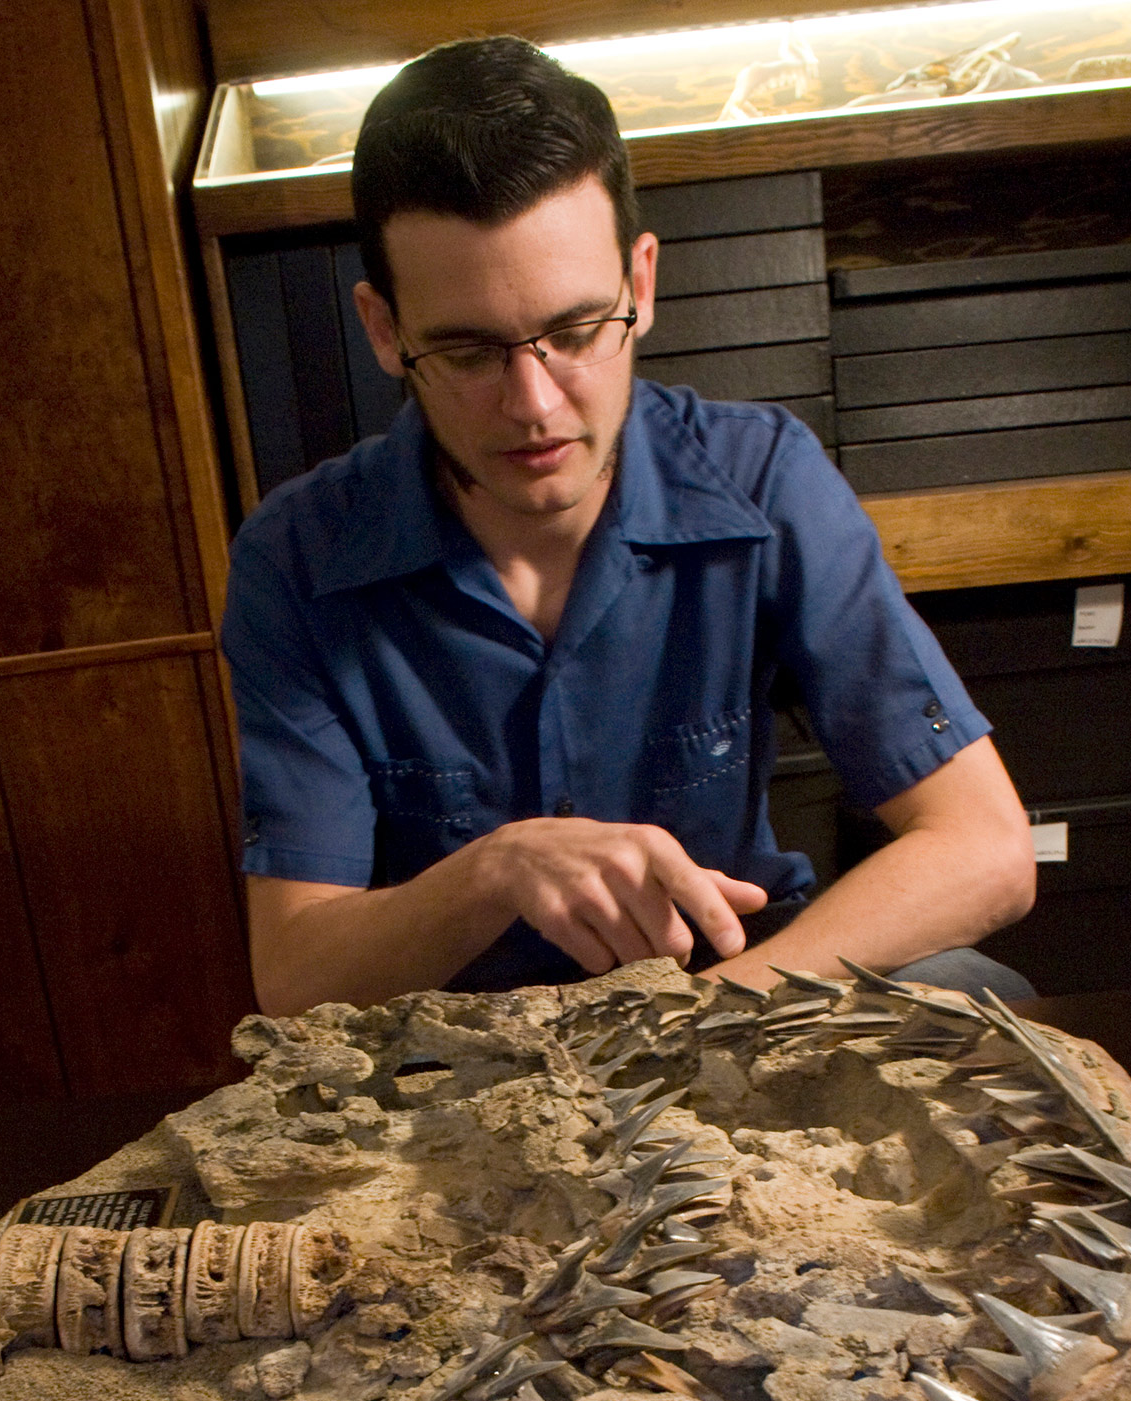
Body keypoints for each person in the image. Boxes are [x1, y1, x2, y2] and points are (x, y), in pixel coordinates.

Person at [223, 36, 1037, 1018]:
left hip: (727, 1005)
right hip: (460, 1051)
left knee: (978, 1001)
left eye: (574, 333)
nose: (533, 404)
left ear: (639, 285)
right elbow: (297, 979)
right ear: (385, 329)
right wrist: (495, 869)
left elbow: (985, 848)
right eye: (471, 350)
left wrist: (694, 1020)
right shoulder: (295, 559)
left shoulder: (761, 479)